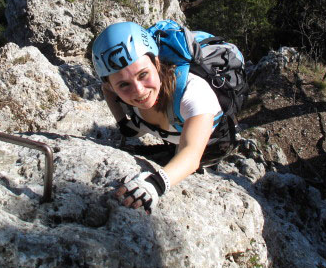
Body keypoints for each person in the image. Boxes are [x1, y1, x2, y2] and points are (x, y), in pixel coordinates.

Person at [92, 21, 236, 214]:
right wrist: (123, 124)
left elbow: (191, 155)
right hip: (168, 129)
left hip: (213, 140)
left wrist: (155, 184)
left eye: (143, 74)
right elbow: (106, 89)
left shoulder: (192, 93)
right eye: (123, 85)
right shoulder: (119, 94)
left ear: (157, 63)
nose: (139, 91)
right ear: (113, 86)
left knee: (201, 157)